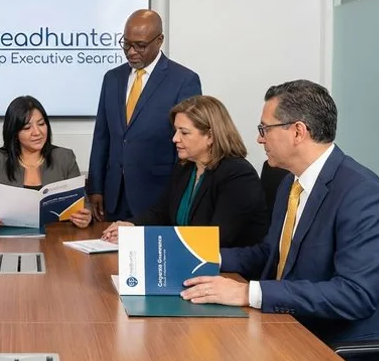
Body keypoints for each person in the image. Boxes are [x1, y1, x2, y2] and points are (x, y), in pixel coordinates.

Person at [179, 80, 379, 361]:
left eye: (265, 129)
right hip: (290, 328)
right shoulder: (291, 182)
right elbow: (269, 254)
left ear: (298, 132)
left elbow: (354, 295)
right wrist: (204, 256)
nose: (260, 140)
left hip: (343, 351)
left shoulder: (362, 194)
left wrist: (249, 292)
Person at [101, 95, 268, 247]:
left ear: (210, 136)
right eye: (175, 131)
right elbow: (161, 213)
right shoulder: (186, 167)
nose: (175, 139)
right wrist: (131, 226)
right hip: (190, 262)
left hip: (229, 273)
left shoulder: (238, 175)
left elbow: (218, 237)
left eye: (184, 133)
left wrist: (144, 237)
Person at [88, 9, 201, 222]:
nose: (131, 52)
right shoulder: (112, 78)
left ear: (160, 40)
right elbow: (102, 136)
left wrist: (180, 195)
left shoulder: (184, 80)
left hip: (157, 196)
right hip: (114, 197)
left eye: (140, 45)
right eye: (126, 44)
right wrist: (96, 187)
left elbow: (189, 144)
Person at [0, 96, 92, 229]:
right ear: (14, 133)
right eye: (27, 128)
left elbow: (84, 204)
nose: (37, 132)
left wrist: (85, 216)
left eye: (41, 124)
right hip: (7, 239)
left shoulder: (65, 157)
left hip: (55, 238)